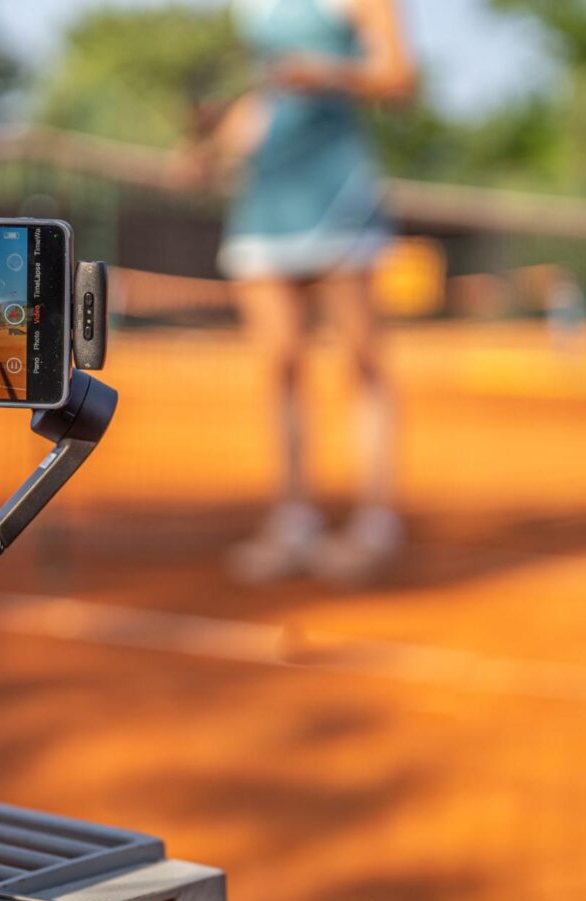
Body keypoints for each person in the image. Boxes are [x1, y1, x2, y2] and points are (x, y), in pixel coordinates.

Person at [193, 0, 417, 585]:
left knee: (361, 360)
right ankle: (294, 520)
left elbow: (400, 80)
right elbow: (264, 100)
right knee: (280, 363)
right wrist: (215, 148)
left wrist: (327, 72)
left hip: (339, 193)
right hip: (266, 196)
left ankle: (375, 522)